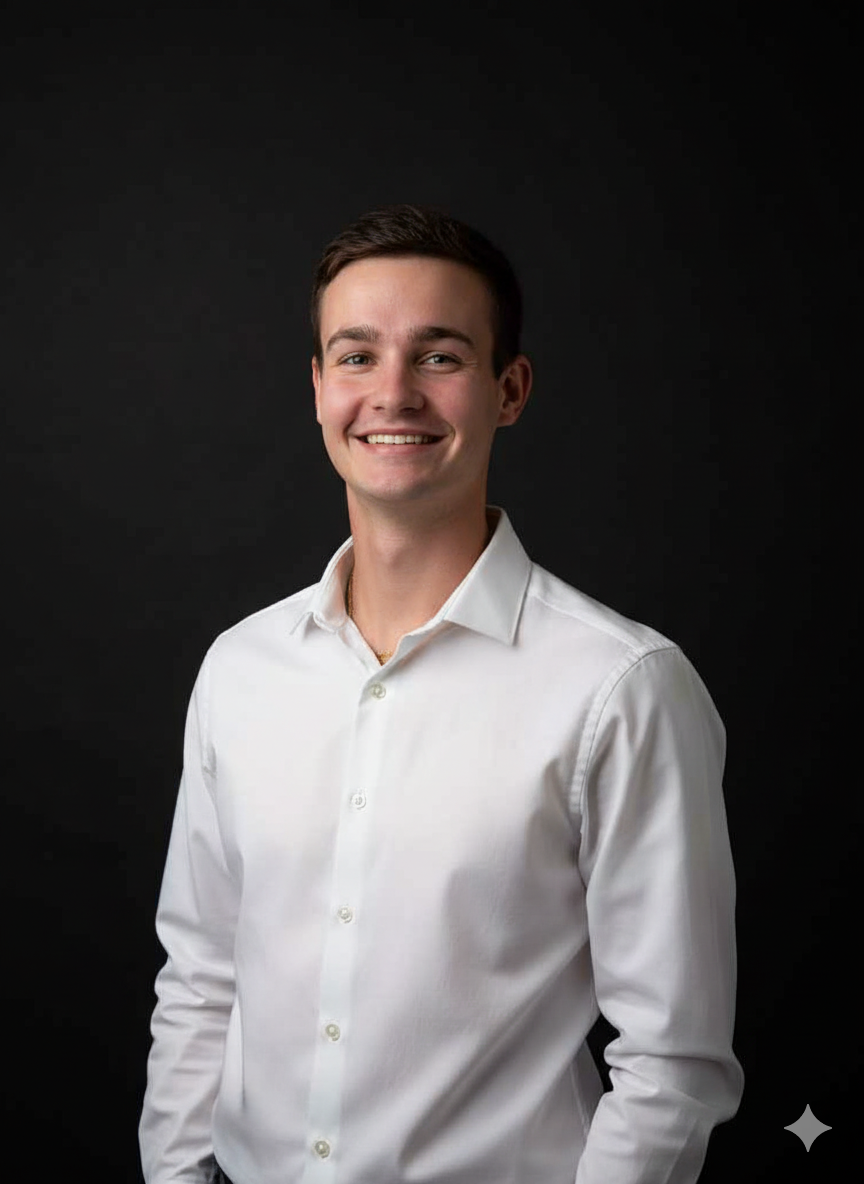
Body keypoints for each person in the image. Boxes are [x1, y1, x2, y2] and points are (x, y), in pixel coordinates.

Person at [139, 203, 743, 1184]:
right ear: (318, 386)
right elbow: (202, 980)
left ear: (511, 388)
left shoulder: (621, 687)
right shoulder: (240, 669)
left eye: (440, 356)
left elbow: (672, 1063)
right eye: (357, 355)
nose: (394, 393)